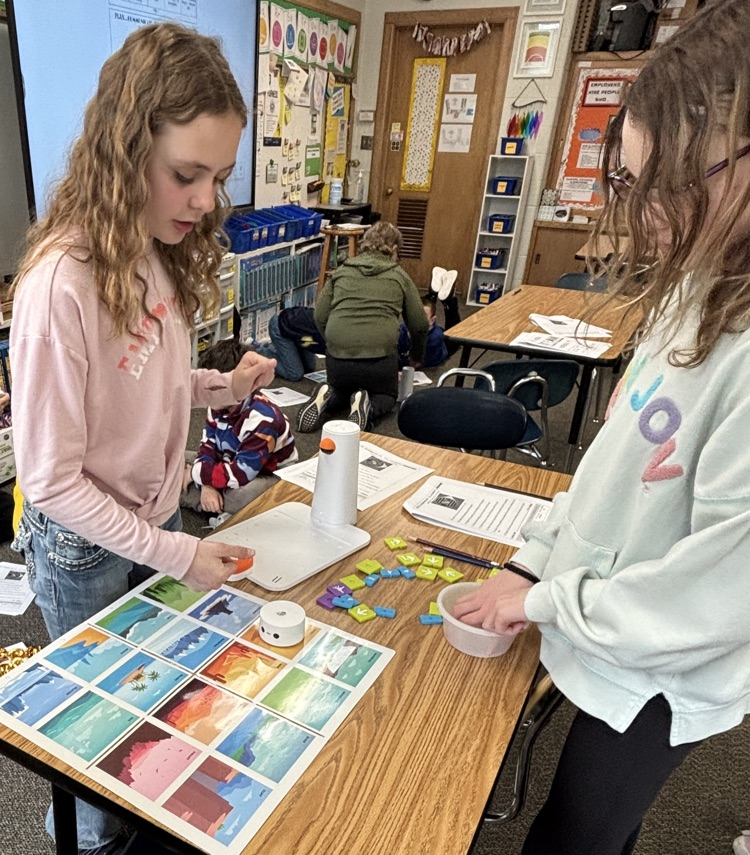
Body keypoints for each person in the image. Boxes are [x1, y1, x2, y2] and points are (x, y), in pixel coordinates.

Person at [453, 2, 750, 853]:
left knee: (580, 834)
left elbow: (718, 594)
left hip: (662, 668)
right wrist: (536, 558)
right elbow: (616, 467)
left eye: (662, 186)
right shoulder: (697, 281)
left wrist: (548, 596)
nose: (644, 213)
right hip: (606, 630)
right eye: (628, 182)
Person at [9, 23, 275, 855]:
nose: (204, 201)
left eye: (218, 177)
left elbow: (144, 385)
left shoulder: (156, 248)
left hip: (148, 528)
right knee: (102, 742)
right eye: (185, 175)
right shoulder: (62, 285)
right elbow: (51, 480)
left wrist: (221, 388)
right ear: (128, 154)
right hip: (86, 548)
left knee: (157, 704)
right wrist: (172, 552)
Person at [296, 221, 428, 432]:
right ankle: (369, 406)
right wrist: (416, 355)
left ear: (364, 243)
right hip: (379, 357)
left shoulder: (342, 271)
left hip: (338, 357)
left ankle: (327, 396)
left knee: (340, 389)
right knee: (387, 396)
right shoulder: (399, 276)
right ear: (395, 249)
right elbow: (420, 324)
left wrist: (334, 343)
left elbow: (319, 315)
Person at [180, 338, 297, 517]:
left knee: (241, 496)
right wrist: (206, 484)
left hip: (265, 473)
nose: (208, 395)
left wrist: (195, 474)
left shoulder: (264, 419)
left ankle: (187, 494)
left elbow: (241, 474)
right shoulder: (217, 404)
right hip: (228, 461)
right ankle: (204, 494)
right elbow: (207, 448)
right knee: (173, 458)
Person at [264, 305, 326, 381]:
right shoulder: (333, 337)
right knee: (295, 374)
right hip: (281, 326)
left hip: (301, 335)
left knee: (309, 368)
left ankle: (280, 350)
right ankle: (260, 350)